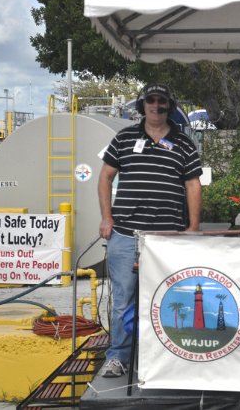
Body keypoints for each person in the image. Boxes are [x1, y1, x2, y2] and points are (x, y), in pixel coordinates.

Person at [97, 83, 203, 377]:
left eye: (162, 102)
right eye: (151, 101)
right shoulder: (124, 137)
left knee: (169, 299)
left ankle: (166, 355)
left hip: (168, 239)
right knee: (123, 301)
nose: (156, 106)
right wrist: (107, 217)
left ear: (170, 106)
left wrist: (193, 228)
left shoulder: (184, 143)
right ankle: (118, 356)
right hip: (125, 236)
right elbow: (105, 178)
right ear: (142, 105)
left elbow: (193, 185)